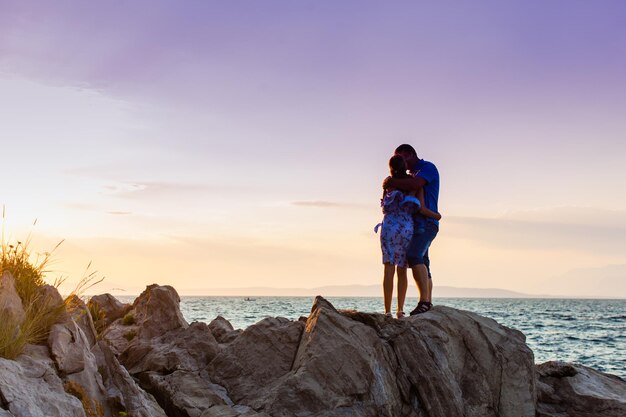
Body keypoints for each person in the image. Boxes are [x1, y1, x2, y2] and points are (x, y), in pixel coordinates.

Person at [376, 155, 441, 318]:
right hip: (406, 228)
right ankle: (400, 310)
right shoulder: (412, 185)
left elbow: (384, 206)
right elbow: (419, 207)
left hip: (389, 227)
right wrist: (437, 216)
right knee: (402, 269)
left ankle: (387, 311)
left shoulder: (387, 184)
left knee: (388, 268)